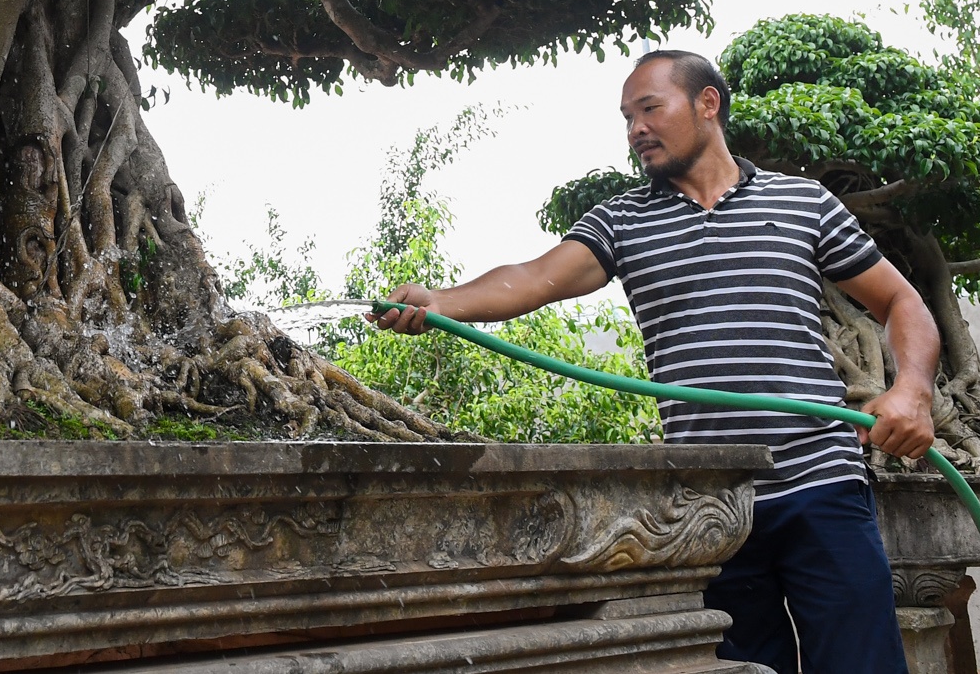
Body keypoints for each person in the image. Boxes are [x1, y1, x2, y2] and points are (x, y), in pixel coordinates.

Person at [372, 49, 938, 674]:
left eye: (649, 109)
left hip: (821, 485)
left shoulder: (804, 202)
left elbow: (901, 301)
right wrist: (442, 300)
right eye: (625, 117)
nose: (635, 129)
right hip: (710, 504)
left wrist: (912, 388)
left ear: (707, 104)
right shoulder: (622, 220)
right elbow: (535, 278)